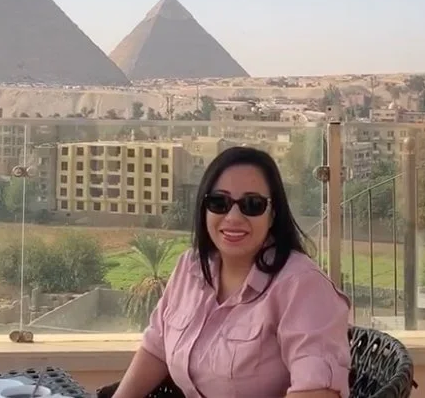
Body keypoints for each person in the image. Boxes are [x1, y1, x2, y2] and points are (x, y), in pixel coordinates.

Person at [112, 146, 351, 398]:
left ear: (273, 215)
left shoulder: (302, 286)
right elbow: (156, 347)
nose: (233, 217)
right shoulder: (191, 268)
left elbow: (318, 391)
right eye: (219, 203)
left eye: (252, 204)